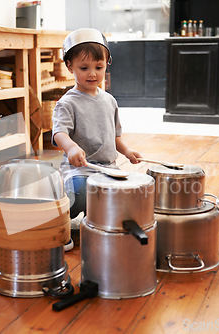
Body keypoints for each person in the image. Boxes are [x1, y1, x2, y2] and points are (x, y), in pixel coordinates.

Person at [52, 28, 142, 250]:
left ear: (106, 65)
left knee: (123, 194)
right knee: (81, 192)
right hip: (80, 168)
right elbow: (59, 133)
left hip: (108, 168)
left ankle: (97, 223)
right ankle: (59, 226)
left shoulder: (109, 101)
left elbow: (115, 136)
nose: (92, 74)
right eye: (84, 68)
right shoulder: (67, 102)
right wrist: (71, 147)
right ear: (69, 66)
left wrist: (128, 152)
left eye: (98, 67)